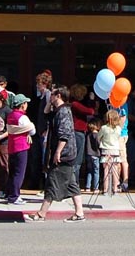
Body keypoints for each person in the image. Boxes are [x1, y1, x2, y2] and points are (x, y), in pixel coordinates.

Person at [26, 85, 85, 222]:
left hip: (64, 154)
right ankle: (80, 213)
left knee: (52, 181)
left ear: (58, 96)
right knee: (72, 184)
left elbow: (64, 134)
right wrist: (49, 102)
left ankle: (41, 213)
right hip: (65, 153)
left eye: (52, 94)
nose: (49, 96)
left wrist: (58, 152)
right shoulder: (58, 110)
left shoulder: (64, 111)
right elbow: (46, 115)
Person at [5, 94, 35, 205]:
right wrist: (27, 131)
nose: (27, 105)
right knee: (19, 172)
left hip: (12, 146)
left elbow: (11, 130)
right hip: (21, 146)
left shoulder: (10, 115)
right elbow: (32, 130)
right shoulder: (22, 118)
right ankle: (14, 196)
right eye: (26, 103)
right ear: (22, 105)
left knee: (12, 172)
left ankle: (10, 193)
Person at [68, 84, 93, 184]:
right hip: (78, 132)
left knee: (77, 159)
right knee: (77, 159)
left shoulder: (73, 103)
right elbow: (90, 111)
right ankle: (74, 183)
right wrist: (91, 101)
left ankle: (74, 182)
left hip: (78, 132)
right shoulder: (75, 104)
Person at [99, 108, 123, 196]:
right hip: (115, 150)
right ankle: (115, 189)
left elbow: (99, 137)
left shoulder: (103, 128)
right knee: (115, 170)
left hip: (105, 150)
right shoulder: (118, 129)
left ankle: (105, 190)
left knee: (106, 170)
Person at [83, 116, 101, 193]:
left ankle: (88, 186)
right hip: (96, 155)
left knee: (89, 171)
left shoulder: (88, 135)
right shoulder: (97, 135)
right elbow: (99, 144)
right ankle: (96, 187)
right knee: (96, 171)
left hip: (89, 154)